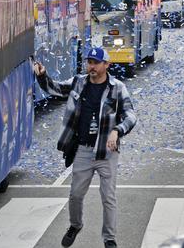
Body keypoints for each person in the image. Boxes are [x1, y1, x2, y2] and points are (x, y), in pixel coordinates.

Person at [33, 47, 137, 248]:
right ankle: (75, 225)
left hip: (107, 152)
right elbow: (54, 89)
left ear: (107, 65)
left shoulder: (117, 88)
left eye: (96, 63)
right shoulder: (78, 83)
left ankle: (109, 239)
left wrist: (117, 130)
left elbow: (131, 115)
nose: (92, 66)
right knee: (75, 195)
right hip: (83, 149)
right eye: (90, 62)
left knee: (108, 198)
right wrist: (43, 75)